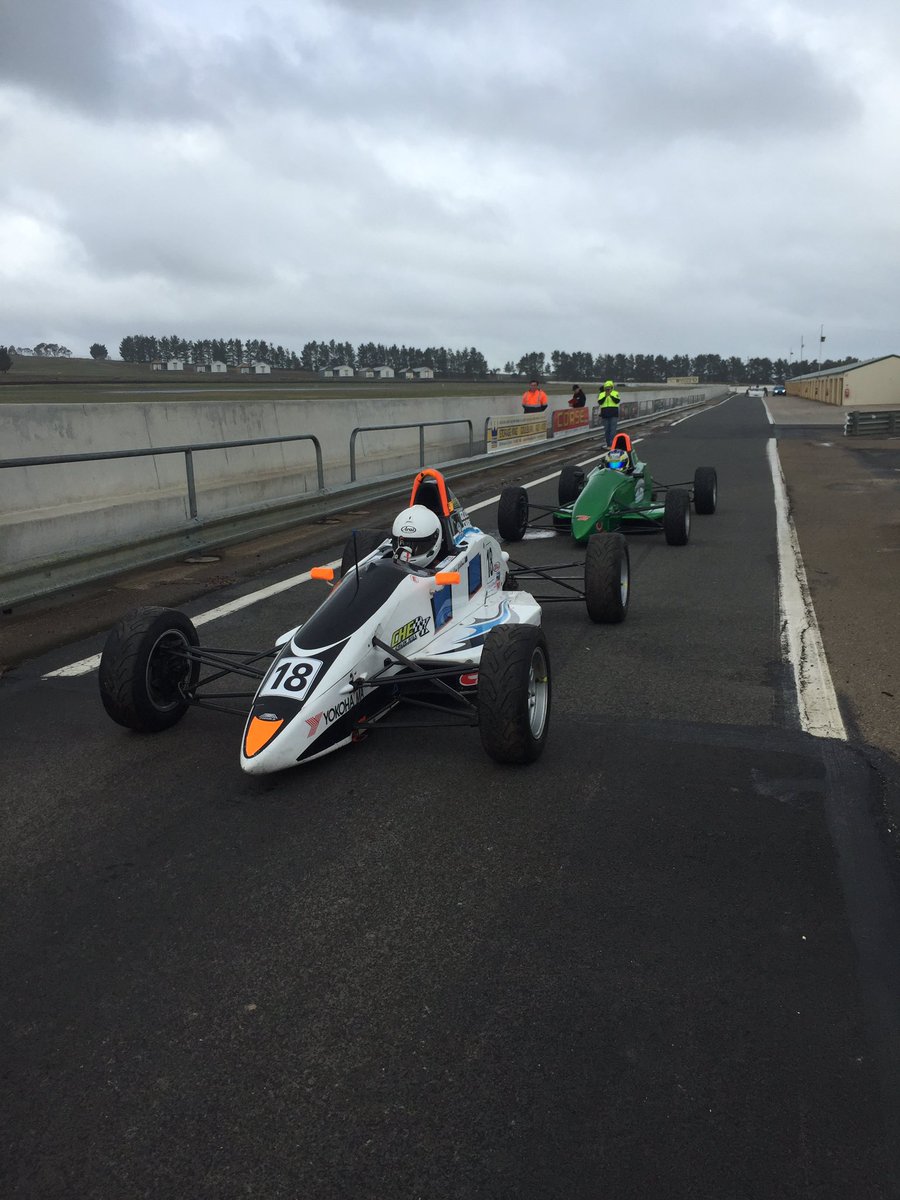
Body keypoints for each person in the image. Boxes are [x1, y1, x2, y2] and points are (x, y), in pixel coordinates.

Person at [597, 379, 621, 446]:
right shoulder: (601, 394)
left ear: (612, 387)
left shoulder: (615, 393)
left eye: (609, 388)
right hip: (605, 413)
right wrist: (605, 396)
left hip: (613, 413)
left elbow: (617, 401)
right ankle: (608, 443)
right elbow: (600, 402)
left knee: (613, 429)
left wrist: (610, 395)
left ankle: (612, 443)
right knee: (606, 430)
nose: (607, 389)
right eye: (606, 388)